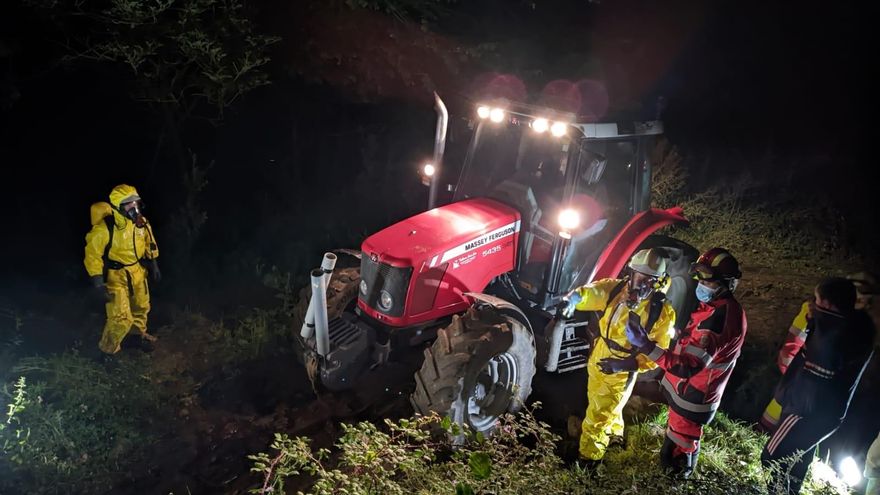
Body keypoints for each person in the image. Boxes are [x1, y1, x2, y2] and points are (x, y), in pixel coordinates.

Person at [624, 247, 747, 478]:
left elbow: (687, 366)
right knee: (678, 437)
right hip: (688, 393)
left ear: (727, 284)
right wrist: (683, 337)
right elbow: (700, 347)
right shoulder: (717, 306)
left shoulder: (718, 319)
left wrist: (645, 345)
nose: (701, 285)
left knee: (677, 452)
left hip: (694, 396)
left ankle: (676, 480)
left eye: (707, 281)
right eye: (699, 279)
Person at [760, 278, 876, 495]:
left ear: (828, 304)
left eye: (817, 299)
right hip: (820, 413)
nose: (813, 304)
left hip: (805, 412)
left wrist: (818, 322)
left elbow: (823, 359)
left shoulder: (838, 335)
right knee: (796, 465)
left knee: (771, 457)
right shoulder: (848, 331)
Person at [561, 247, 676, 464]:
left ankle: (588, 459)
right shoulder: (615, 290)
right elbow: (593, 292)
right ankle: (615, 436)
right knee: (600, 401)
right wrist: (573, 299)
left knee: (598, 417)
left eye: (650, 281)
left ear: (658, 282)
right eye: (640, 278)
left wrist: (623, 365)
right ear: (630, 274)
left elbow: (657, 354)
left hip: (622, 368)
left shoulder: (660, 313)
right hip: (600, 354)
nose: (643, 286)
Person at [84, 184, 161, 355]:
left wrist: (154, 263)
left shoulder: (141, 224)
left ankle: (135, 337)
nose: (134, 208)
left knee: (141, 307)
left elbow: (150, 242)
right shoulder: (106, 228)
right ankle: (107, 351)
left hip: (138, 271)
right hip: (116, 275)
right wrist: (98, 281)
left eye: (135, 203)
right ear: (118, 206)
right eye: (128, 204)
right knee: (120, 317)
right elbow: (92, 254)